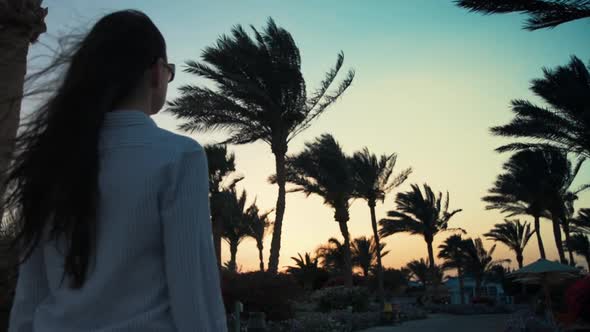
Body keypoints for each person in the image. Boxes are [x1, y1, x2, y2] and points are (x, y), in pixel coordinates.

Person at [4, 10, 227, 332]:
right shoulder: (179, 156)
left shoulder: (49, 162)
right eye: (170, 71)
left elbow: (30, 295)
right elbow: (194, 294)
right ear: (156, 73)